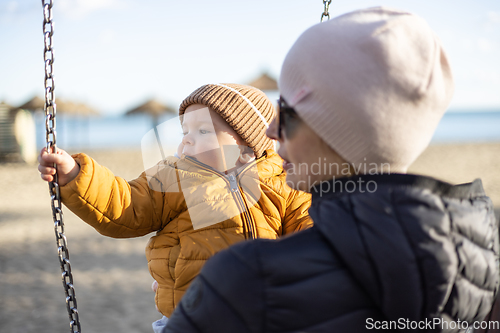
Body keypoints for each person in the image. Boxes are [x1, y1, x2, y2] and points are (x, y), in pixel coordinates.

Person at [164, 7, 499, 333]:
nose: (270, 129)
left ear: (343, 128)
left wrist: (198, 305)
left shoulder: (245, 277)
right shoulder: (484, 264)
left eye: (289, 111)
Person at [38, 83, 313, 332]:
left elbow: (311, 230)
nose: (187, 139)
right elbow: (127, 205)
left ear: (248, 146)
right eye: (185, 132)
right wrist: (76, 175)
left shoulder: (283, 181)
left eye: (203, 131)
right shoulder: (174, 176)